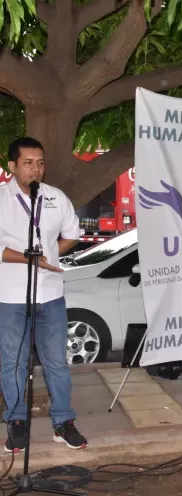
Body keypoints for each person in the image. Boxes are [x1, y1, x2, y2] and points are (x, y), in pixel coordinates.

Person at [0, 137, 87, 452]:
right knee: (13, 363)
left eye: (40, 162)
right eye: (27, 163)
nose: (35, 169)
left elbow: (72, 234)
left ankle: (63, 423)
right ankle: (18, 423)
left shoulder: (55, 197)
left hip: (50, 295)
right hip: (10, 297)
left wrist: (48, 256)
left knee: (56, 363)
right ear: (12, 166)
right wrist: (27, 258)